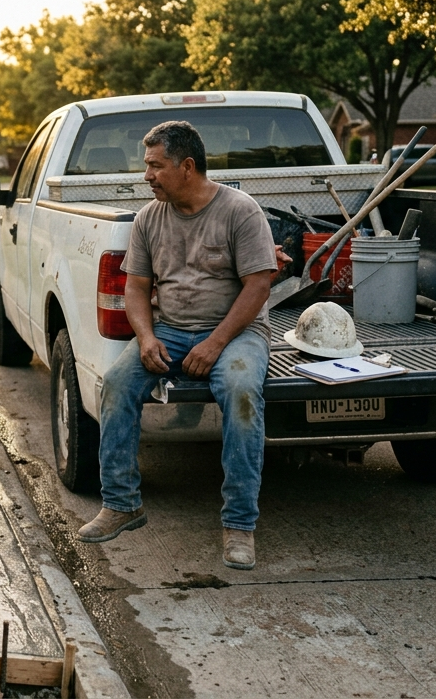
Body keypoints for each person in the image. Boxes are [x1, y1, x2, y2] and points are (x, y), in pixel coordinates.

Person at [76, 120, 277, 570]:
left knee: (243, 394)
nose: (146, 175)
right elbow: (135, 287)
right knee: (116, 384)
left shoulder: (240, 211)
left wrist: (215, 343)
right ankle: (122, 503)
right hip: (169, 330)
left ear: (187, 166)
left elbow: (258, 286)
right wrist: (146, 337)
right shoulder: (149, 217)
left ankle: (240, 524)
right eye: (146, 166)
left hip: (236, 332)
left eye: (155, 166)